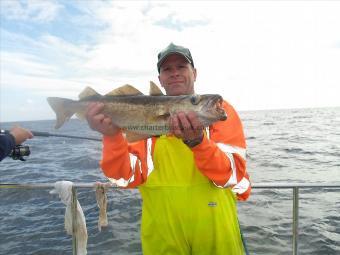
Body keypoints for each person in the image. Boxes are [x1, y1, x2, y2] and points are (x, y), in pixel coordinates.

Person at [86, 43, 251, 254]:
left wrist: (198, 142)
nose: (175, 73)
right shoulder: (144, 117)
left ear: (195, 73)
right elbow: (124, 178)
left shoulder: (219, 112)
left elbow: (234, 177)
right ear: (160, 79)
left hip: (217, 233)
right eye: (167, 69)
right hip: (162, 236)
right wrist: (112, 137)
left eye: (182, 66)